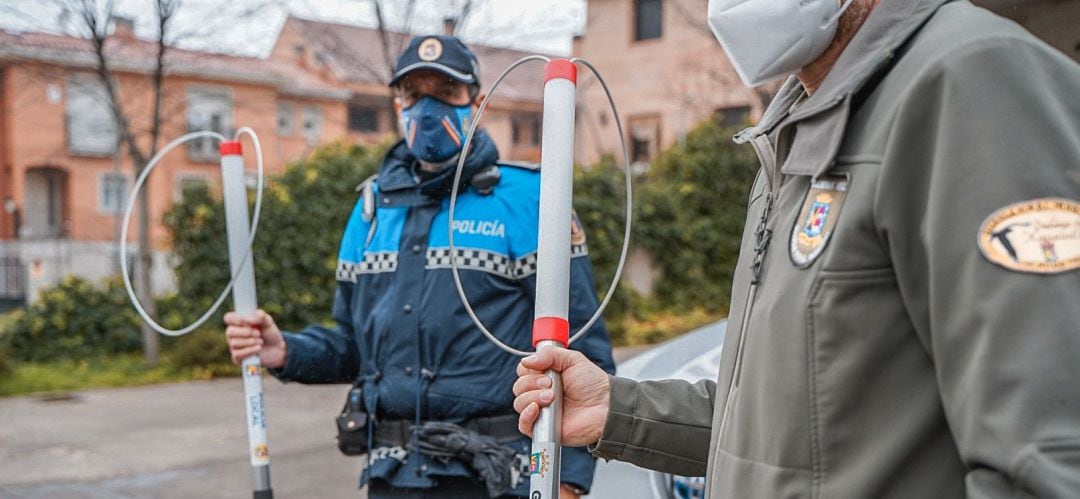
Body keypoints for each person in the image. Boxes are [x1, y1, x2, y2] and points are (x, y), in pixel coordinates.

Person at [514, 0, 1080, 496]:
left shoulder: (969, 80)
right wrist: (617, 410)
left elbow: (1047, 455)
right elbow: (792, 436)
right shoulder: (796, 129)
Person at [225, 34, 615, 498]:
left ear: (477, 101)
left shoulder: (532, 199)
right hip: (394, 477)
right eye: (413, 94)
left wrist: (567, 481)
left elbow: (580, 350)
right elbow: (355, 347)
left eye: (445, 93)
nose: (427, 110)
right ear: (397, 104)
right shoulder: (371, 209)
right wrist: (285, 350)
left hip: (500, 477)